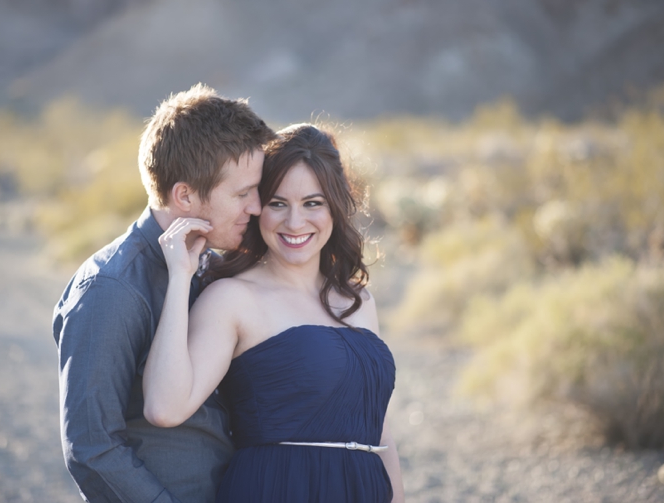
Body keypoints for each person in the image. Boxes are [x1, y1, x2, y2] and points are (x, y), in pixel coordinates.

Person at [143, 124, 405, 502]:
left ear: (335, 205)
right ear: (256, 208)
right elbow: (164, 408)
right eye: (277, 204)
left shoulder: (358, 300)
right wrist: (180, 277)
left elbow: (377, 431)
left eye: (312, 203)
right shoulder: (233, 298)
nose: (295, 223)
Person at [53, 83, 277, 503]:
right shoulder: (110, 289)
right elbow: (91, 448)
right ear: (185, 195)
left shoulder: (211, 266)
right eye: (243, 193)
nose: (256, 208)